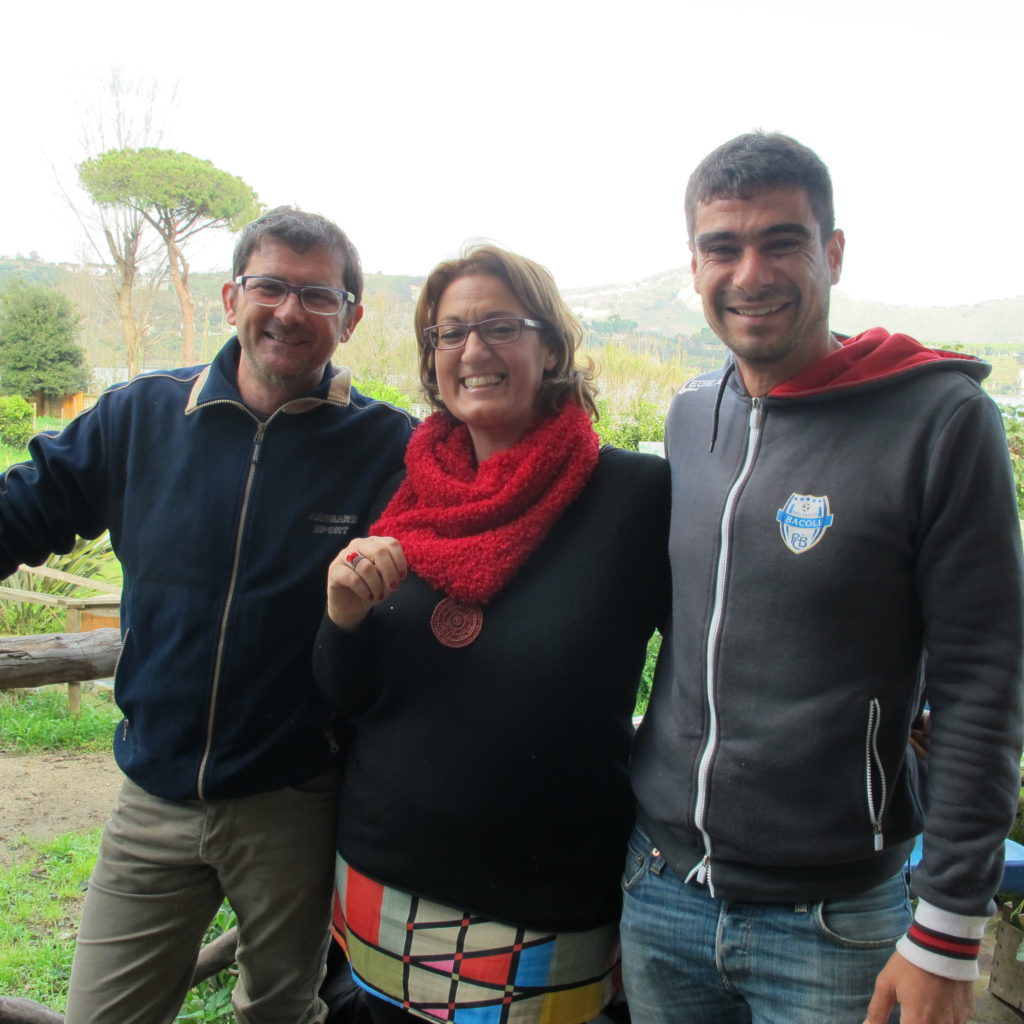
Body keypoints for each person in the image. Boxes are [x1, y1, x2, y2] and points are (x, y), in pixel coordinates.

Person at [620, 131, 1024, 1024]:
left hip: (834, 922)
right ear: (694, 265)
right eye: (723, 247)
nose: (749, 271)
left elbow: (983, 683)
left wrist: (949, 926)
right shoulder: (692, 417)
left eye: (782, 241)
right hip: (659, 895)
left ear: (832, 252)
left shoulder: (941, 421)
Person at [0, 207, 415, 1023]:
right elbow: (25, 507)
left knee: (281, 1010)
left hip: (295, 801)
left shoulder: (387, 448)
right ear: (230, 298)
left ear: (351, 318)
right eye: (269, 286)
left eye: (317, 295)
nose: (290, 312)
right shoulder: (140, 418)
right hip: (152, 795)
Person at [312, 245, 669, 1024]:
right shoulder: (409, 489)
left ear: (551, 348)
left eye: (500, 326)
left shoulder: (635, 498)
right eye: (450, 333)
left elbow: (708, 668)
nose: (472, 351)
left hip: (544, 901)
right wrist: (341, 616)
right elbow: (353, 694)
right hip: (379, 880)